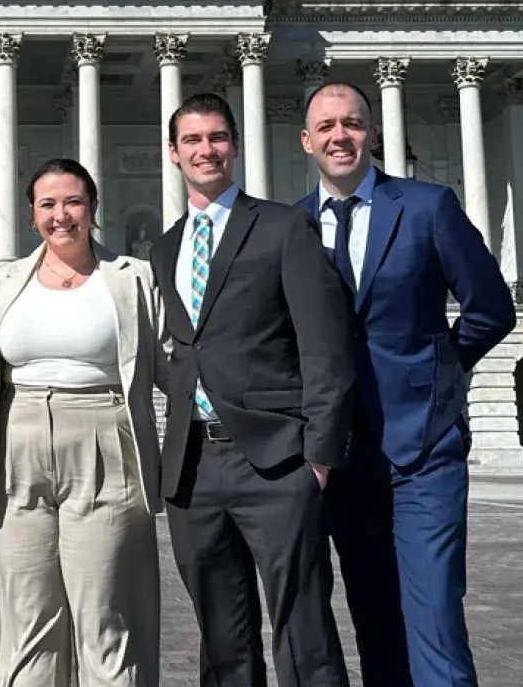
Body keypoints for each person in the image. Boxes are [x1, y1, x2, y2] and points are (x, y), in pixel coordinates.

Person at [297, 83, 515, 687]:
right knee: (374, 620)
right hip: (342, 457)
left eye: (354, 123)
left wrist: (438, 373)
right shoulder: (291, 225)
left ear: (372, 132)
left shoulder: (427, 206)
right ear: (307, 140)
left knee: (436, 617)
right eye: (328, 126)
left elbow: (491, 309)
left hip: (423, 448)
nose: (341, 136)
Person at [152, 92, 357, 687]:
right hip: (191, 464)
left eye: (216, 137)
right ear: (173, 153)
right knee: (220, 636)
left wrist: (317, 455)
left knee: (303, 630)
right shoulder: (165, 247)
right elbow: (182, 349)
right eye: (192, 140)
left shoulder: (283, 226)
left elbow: (326, 345)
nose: (205, 150)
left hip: (275, 461)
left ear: (235, 146)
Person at [0, 158, 168, 687]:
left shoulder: (131, 279)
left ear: (93, 209)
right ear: (32, 213)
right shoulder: (2, 280)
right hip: (17, 442)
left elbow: (172, 363)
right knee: (26, 622)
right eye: (48, 204)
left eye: (73, 202)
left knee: (106, 616)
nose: (62, 216)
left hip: (105, 437)